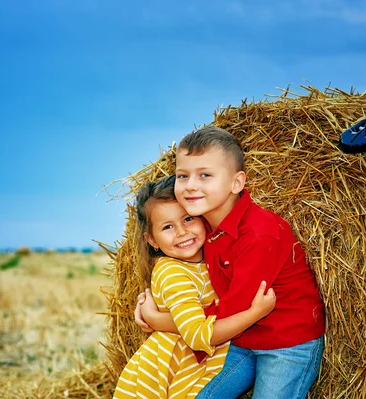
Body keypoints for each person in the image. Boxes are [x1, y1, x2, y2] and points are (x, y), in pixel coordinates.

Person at [135, 126, 326, 399]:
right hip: (243, 340)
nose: (190, 185)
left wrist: (158, 319)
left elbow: (234, 310)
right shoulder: (201, 228)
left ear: (236, 183)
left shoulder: (259, 235)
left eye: (205, 175)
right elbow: (188, 280)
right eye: (182, 176)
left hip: (287, 343)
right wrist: (149, 298)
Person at [114, 175, 276, 399]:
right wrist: (254, 314)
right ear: (152, 240)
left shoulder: (213, 254)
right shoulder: (172, 272)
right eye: (168, 226)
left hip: (193, 367)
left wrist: (155, 317)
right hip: (165, 377)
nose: (182, 232)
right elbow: (197, 334)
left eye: (188, 219)